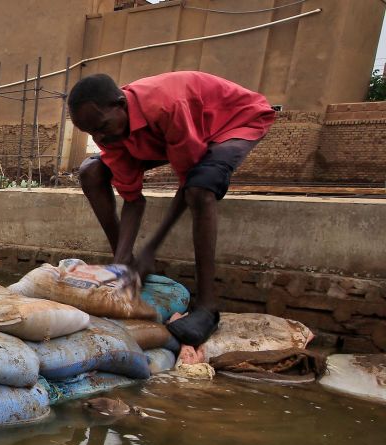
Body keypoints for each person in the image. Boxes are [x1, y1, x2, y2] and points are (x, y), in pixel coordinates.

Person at [67, 71, 275, 346]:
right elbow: (133, 199)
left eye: (102, 127)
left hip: (232, 122)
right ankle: (126, 267)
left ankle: (207, 307)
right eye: (92, 133)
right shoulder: (111, 134)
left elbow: (189, 179)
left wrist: (150, 249)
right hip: (163, 136)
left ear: (120, 104)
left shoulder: (166, 105)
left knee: (200, 189)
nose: (100, 137)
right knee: (91, 171)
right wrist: (121, 263)